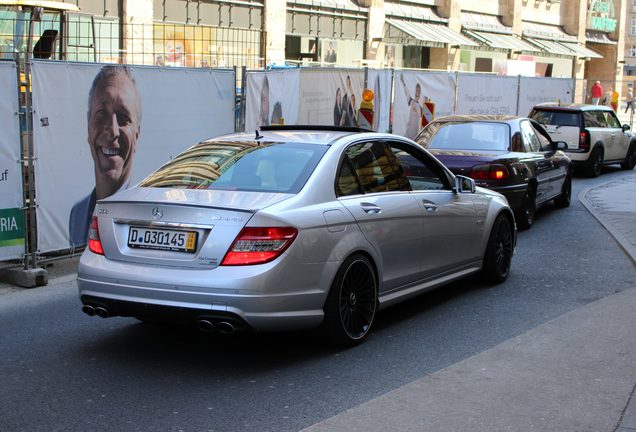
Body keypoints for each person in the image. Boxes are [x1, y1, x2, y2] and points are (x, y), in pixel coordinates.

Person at [69, 66, 142, 247]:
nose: (113, 131)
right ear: (88, 126)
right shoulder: (77, 214)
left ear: (137, 136)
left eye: (124, 118)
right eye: (101, 115)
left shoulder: (146, 216)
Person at [400, 74, 423, 140]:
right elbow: (406, 91)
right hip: (409, 131)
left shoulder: (420, 106)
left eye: (419, 91)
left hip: (416, 133)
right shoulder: (411, 100)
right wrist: (403, 82)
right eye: (416, 90)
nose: (417, 92)